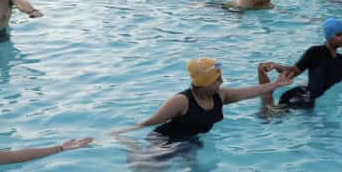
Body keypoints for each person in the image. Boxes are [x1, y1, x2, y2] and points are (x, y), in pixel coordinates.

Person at [113, 58, 289, 145]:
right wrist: (118, 134)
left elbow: (249, 92)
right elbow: (147, 124)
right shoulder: (181, 101)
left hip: (191, 142)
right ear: (204, 83)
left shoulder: (219, 95)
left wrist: (275, 84)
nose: (221, 82)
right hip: (165, 142)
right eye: (217, 79)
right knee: (148, 170)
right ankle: (130, 146)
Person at [256, 19, 342, 110]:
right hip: (303, 95)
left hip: (315, 99)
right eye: (339, 35)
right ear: (329, 36)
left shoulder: (341, 60)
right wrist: (276, 65)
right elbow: (292, 72)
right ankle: (266, 94)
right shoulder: (315, 52)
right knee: (269, 117)